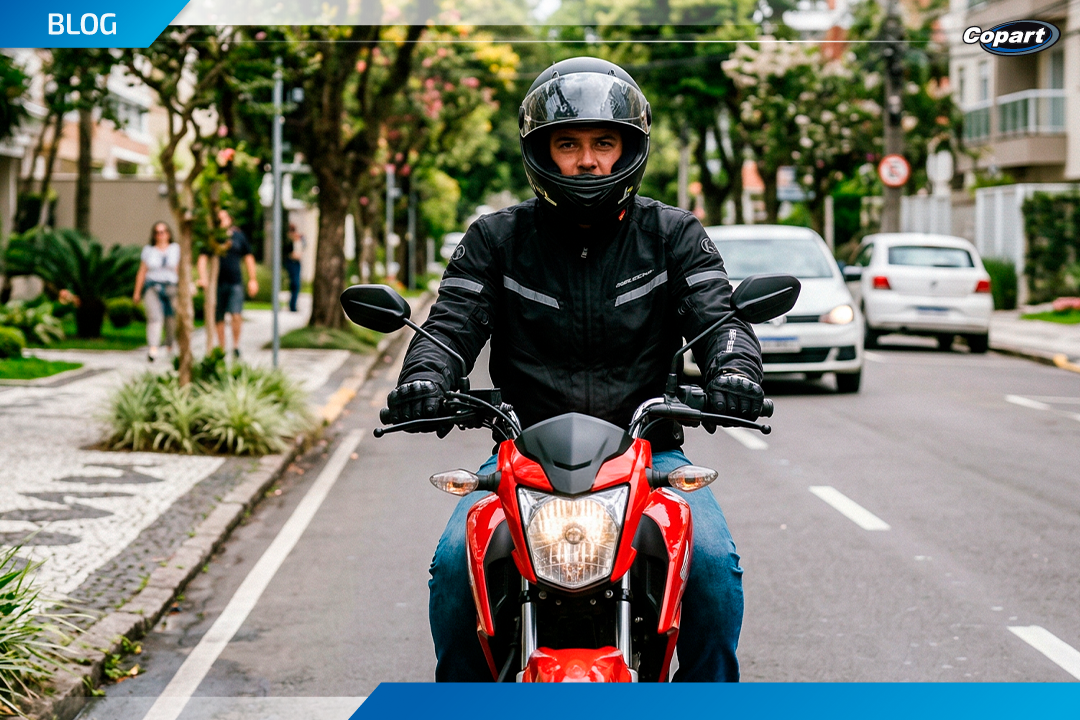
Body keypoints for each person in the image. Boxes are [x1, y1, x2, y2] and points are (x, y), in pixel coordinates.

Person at [384, 57, 764, 682]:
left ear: (628, 150)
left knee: (715, 569)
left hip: (649, 454)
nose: (587, 161)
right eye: (569, 144)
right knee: (456, 564)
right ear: (542, 152)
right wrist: (424, 378)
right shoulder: (496, 239)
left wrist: (735, 370)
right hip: (522, 455)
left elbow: (717, 318)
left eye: (603, 143)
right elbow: (450, 325)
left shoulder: (673, 235)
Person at [197, 209, 258, 358]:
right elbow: (202, 259)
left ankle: (236, 346)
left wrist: (253, 279)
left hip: (235, 281)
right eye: (219, 218)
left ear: (230, 219)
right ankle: (222, 347)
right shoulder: (212, 238)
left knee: (236, 314)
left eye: (224, 217)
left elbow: (248, 257)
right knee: (219, 317)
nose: (222, 220)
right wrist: (203, 277)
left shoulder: (239, 236)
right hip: (216, 283)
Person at [132, 221, 180, 362]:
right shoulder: (149, 251)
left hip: (171, 286)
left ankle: (170, 344)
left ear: (168, 234)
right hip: (153, 286)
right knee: (154, 317)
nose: (160, 235)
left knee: (171, 319)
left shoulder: (175, 249)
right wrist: (137, 292)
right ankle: (153, 348)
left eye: (163, 231)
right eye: (157, 232)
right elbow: (142, 271)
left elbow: (179, 269)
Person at [284, 223, 304, 313]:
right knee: (295, 284)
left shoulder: (299, 239)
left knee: (296, 285)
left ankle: (293, 305)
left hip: (297, 262)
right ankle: (292, 306)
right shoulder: (289, 240)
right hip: (292, 262)